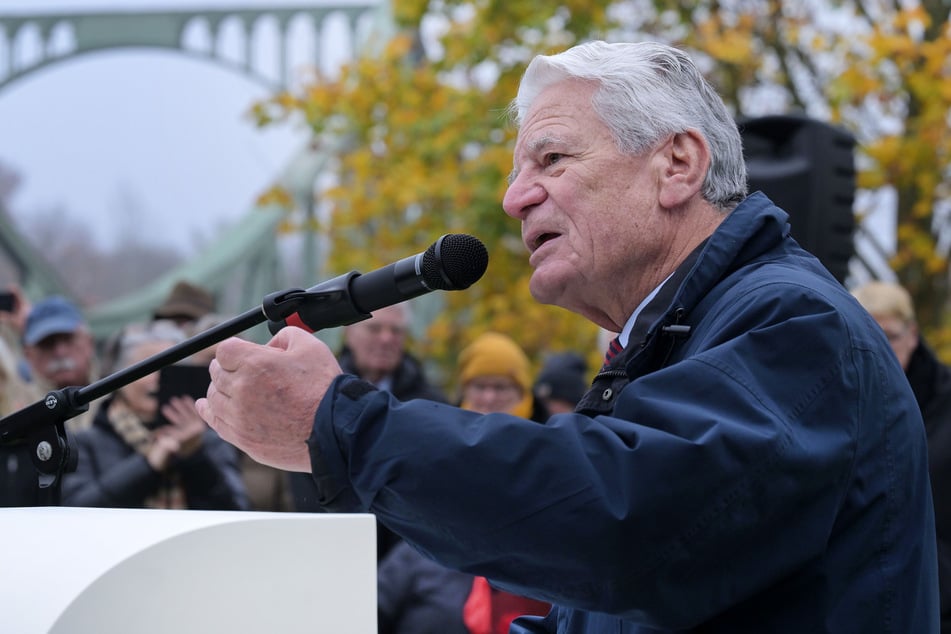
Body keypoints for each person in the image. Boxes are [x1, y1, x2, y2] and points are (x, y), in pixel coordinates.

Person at [196, 40, 938, 632]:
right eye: (517, 171)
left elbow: (627, 525)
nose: (514, 198)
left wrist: (342, 425)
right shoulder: (674, 336)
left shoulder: (793, 323)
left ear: (676, 164)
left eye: (550, 158)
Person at [377, 332, 550, 634]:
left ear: (524, 394)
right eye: (479, 386)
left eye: (501, 387)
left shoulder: (549, 460)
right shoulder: (436, 454)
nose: (489, 398)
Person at [288, 302, 447, 559]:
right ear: (348, 334)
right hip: (328, 548)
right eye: (374, 329)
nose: (386, 338)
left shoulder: (431, 403)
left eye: (396, 331)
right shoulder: (314, 396)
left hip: (410, 560)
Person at [62, 320, 249, 510]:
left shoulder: (210, 439)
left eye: (169, 368)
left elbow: (237, 512)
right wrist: (148, 465)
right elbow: (77, 510)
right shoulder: (86, 442)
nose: (157, 378)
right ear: (117, 377)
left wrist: (195, 456)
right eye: (146, 369)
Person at [852, 280, 951, 631]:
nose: (882, 347)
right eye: (869, 334)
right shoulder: (843, 401)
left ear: (912, 335)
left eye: (890, 336)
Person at [21, 295, 100, 432]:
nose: (59, 352)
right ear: (29, 355)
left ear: (89, 343)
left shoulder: (122, 396)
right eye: (46, 343)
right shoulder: (17, 408)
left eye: (67, 339)